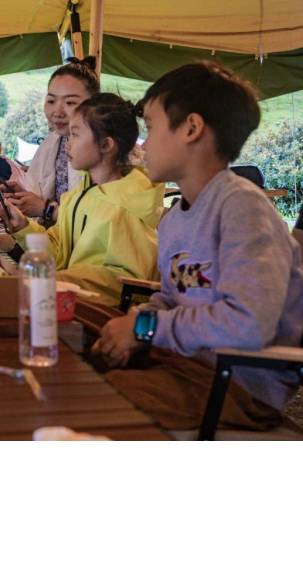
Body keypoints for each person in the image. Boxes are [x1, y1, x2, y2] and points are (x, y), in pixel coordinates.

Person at [92, 62, 303, 431]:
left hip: (234, 382)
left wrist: (145, 328)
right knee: (77, 352)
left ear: (191, 128)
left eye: (152, 128)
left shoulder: (243, 207)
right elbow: (173, 298)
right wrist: (133, 334)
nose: (143, 144)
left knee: (96, 402)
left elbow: (247, 324)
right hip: (182, 363)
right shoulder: (175, 219)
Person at [0, 94, 163, 307]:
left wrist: (58, 281)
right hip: (68, 303)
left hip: (100, 317)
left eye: (74, 135)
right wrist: (23, 227)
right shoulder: (77, 196)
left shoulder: (126, 205)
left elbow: (126, 282)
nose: (67, 143)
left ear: (105, 144)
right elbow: (59, 253)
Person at [5, 57, 100, 226]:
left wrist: (45, 209)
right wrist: (24, 197)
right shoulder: (52, 143)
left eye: (70, 102)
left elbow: (101, 219)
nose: (57, 112)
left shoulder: (104, 149)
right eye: (51, 101)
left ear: (94, 105)